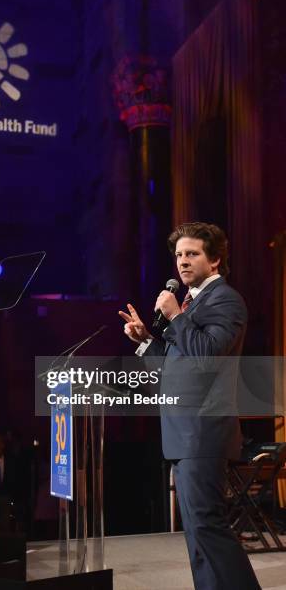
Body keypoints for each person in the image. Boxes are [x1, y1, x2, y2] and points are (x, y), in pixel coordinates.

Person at [119, 222, 261, 590]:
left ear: (214, 261)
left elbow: (207, 356)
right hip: (184, 432)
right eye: (179, 255)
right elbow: (175, 368)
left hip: (204, 432)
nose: (182, 262)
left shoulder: (225, 300)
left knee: (208, 528)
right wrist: (146, 341)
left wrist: (175, 317)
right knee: (198, 535)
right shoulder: (192, 303)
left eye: (192, 254)